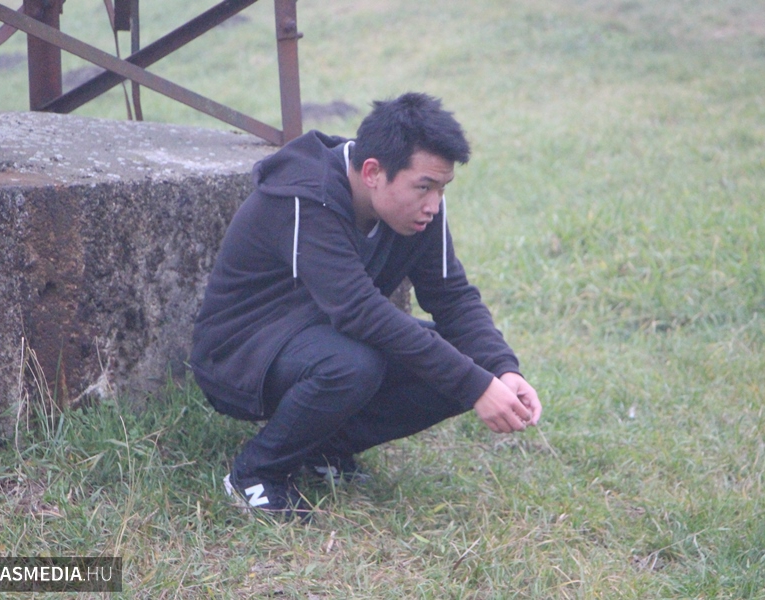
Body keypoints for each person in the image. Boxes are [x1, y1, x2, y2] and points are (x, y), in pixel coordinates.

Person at [190, 92, 542, 519]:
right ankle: (256, 473)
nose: (434, 204)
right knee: (355, 365)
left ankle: (323, 449)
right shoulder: (307, 196)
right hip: (241, 355)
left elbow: (452, 296)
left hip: (321, 336)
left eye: (442, 188)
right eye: (424, 187)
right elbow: (359, 311)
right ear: (373, 172)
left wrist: (501, 370)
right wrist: (475, 385)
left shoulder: (420, 211)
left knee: (465, 361)